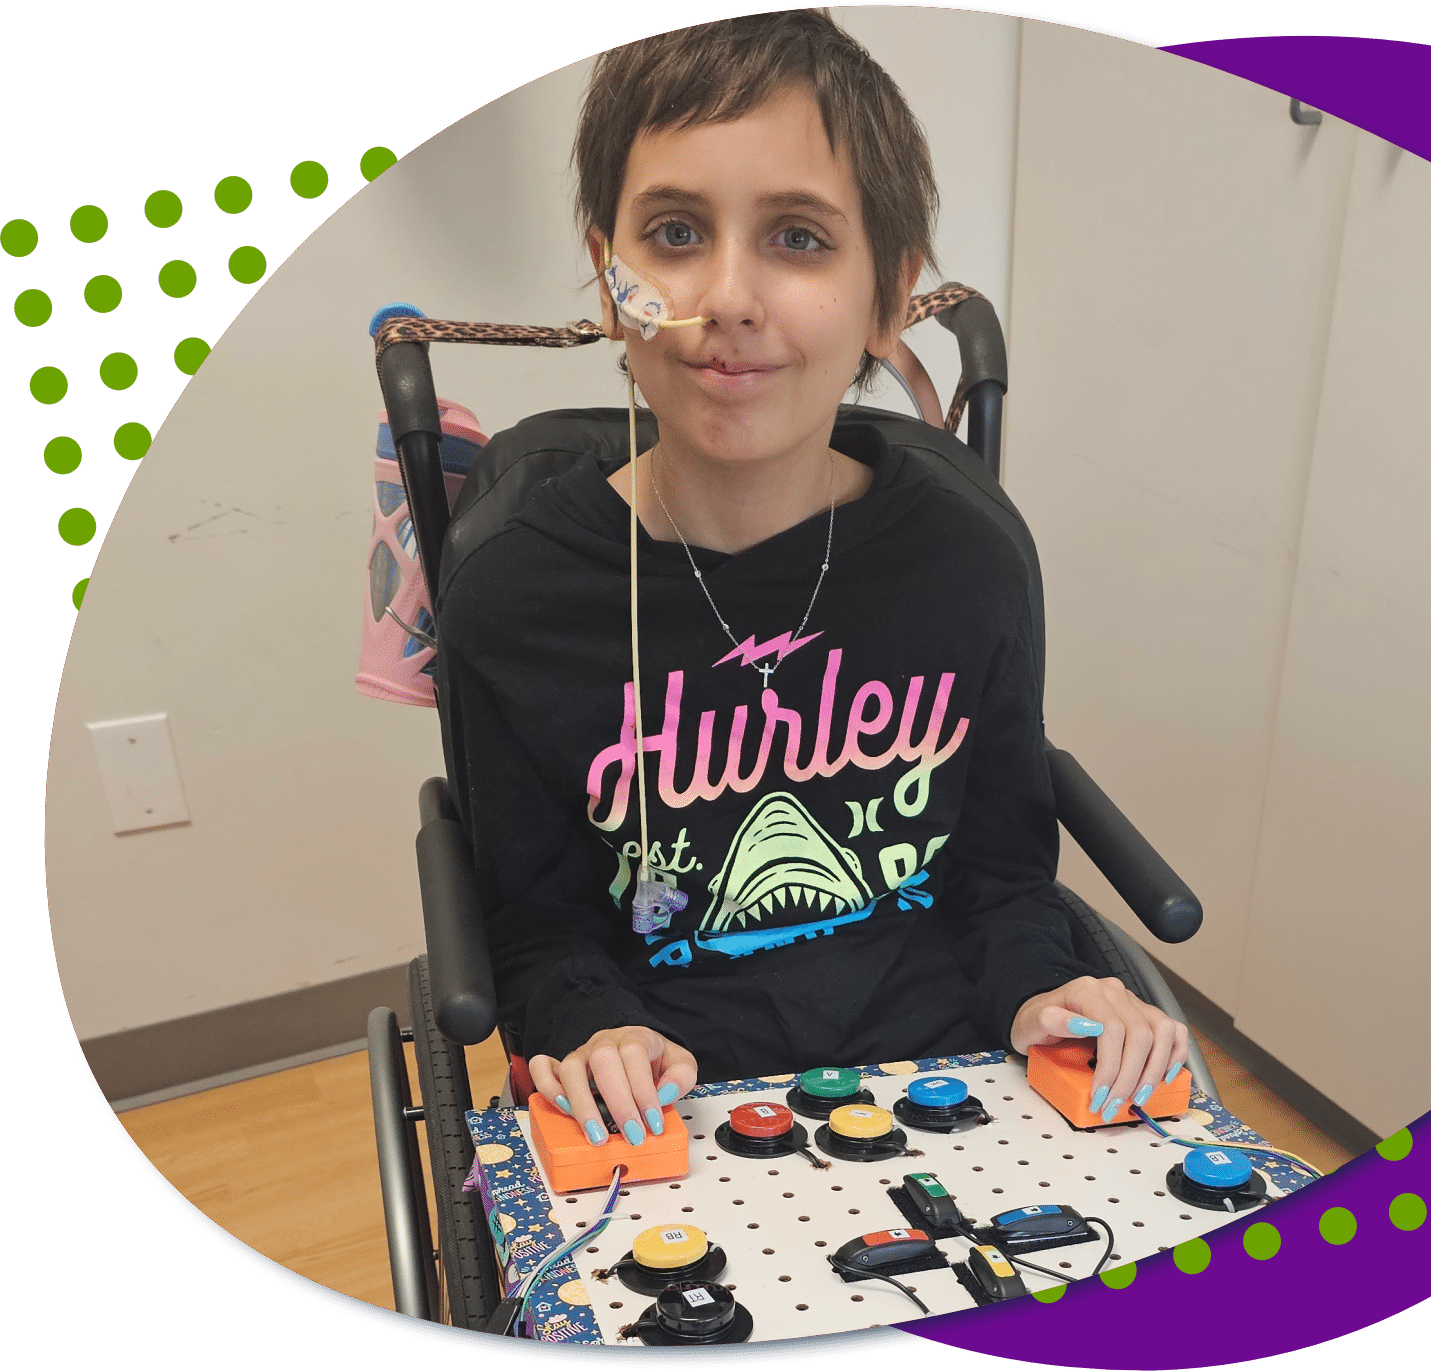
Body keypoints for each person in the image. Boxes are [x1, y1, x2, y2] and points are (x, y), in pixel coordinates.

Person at [439, 10, 1188, 1151]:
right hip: (668, 1099)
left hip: (959, 1067)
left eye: (797, 238)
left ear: (890, 299)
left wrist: (1045, 988)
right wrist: (596, 1027)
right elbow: (539, 932)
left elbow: (999, 875)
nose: (730, 296)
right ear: (609, 280)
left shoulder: (967, 562)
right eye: (676, 230)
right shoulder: (513, 592)